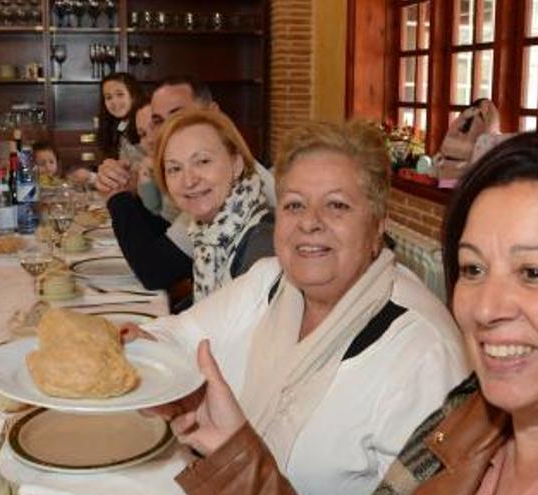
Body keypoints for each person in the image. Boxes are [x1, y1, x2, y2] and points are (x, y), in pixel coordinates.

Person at [167, 130, 538, 495]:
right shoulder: (468, 420)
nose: (485, 308)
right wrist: (235, 456)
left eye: (534, 273)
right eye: (474, 269)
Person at [132, 120, 468, 495]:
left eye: (336, 205)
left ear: (377, 225)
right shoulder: (270, 281)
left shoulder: (423, 354)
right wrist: (134, 346)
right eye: (294, 205)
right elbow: (178, 334)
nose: (310, 222)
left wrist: (234, 460)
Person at [96, 75, 275, 295]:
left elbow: (156, 270)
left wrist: (118, 198)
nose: (166, 130)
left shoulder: (258, 229)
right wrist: (129, 193)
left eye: (178, 115)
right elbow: (165, 233)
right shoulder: (218, 202)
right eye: (158, 121)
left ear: (213, 113)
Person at [152, 109, 274, 301]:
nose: (189, 181)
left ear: (236, 164)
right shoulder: (207, 234)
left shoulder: (262, 246)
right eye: (175, 169)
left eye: (202, 161)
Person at [68, 72, 145, 185]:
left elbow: (139, 176)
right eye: (108, 97)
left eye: (120, 94)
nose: (114, 102)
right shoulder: (118, 126)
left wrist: (92, 178)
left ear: (133, 95)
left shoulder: (144, 125)